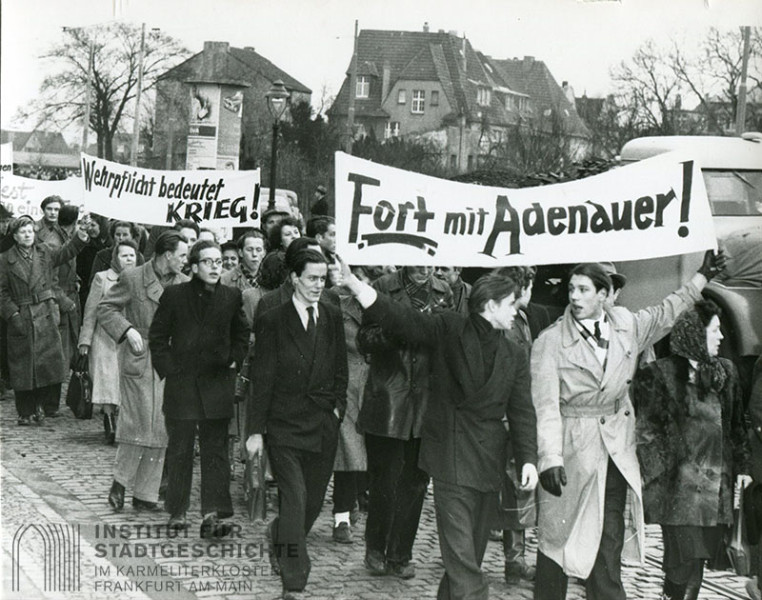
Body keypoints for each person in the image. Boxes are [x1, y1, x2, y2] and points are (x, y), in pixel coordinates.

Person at [531, 251, 725, 600]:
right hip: (573, 449)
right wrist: (550, 457)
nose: (574, 297)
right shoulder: (550, 341)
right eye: (572, 289)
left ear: (604, 295)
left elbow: (668, 311)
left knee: (609, 535)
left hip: (616, 447)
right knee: (559, 540)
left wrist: (702, 276)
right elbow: (545, 405)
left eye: (584, 290)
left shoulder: (626, 325)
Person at [341, 260, 538, 599]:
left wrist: (528, 459)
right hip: (450, 456)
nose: (515, 310)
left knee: (469, 554)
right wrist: (360, 288)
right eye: (510, 304)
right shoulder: (450, 328)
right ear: (491, 306)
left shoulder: (513, 354)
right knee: (462, 558)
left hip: (487, 461)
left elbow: (522, 411)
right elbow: (404, 320)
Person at [245, 249, 347, 600]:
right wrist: (256, 431)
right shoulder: (274, 318)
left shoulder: (332, 315)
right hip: (284, 425)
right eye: (312, 278)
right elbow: (263, 378)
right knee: (295, 500)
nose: (319, 285)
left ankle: (279, 536)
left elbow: (339, 369)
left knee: (313, 504)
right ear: (295, 279)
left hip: (322, 423)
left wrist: (338, 409)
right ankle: (294, 583)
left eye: (323, 278)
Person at [635, 300, 751, 600]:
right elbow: (647, 433)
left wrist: (743, 468)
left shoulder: (726, 374)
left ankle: (671, 595)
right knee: (684, 561)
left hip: (715, 489)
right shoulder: (657, 374)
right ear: (697, 334)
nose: (721, 337)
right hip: (677, 490)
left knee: (695, 563)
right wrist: (662, 477)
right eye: (715, 330)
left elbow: (737, 425)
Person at [357, 266, 453, 578]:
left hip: (425, 400)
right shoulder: (383, 287)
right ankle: (375, 547)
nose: (425, 267)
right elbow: (365, 339)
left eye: (430, 261)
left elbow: (450, 339)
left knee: (415, 481)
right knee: (384, 479)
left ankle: (400, 554)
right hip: (389, 398)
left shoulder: (444, 291)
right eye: (417, 261)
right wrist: (399, 328)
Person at [149, 240, 249, 536]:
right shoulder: (175, 295)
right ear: (193, 267)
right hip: (182, 386)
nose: (216, 267)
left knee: (215, 451)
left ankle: (212, 514)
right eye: (208, 262)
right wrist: (169, 369)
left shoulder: (231, 296)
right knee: (180, 450)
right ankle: (177, 512)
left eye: (219, 262)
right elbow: (158, 336)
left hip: (216, 385)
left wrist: (233, 359)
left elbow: (241, 333)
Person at [97, 231, 189, 512]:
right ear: (166, 254)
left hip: (171, 361)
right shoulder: (133, 277)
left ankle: (146, 495)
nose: (186, 261)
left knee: (162, 426)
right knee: (137, 424)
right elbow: (106, 309)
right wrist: (128, 330)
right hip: (140, 357)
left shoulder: (185, 284)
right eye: (182, 255)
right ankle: (120, 482)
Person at [492, 265, 552, 584]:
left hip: (519, 411)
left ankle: (515, 560)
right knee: (511, 486)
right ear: (522, 288)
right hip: (505, 416)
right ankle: (513, 560)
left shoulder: (525, 319)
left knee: (517, 487)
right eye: (530, 286)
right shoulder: (507, 323)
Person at [0, 214, 90, 425]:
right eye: (23, 232)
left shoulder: (44, 252)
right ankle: (25, 411)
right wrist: (13, 314)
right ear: (14, 236)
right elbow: (1, 292)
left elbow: (66, 253)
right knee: (23, 367)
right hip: (21, 316)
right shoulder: (5, 260)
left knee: (45, 366)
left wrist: (81, 236)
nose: (28, 235)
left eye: (30, 231)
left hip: (45, 314)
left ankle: (40, 407)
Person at [78, 239, 138, 443]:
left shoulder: (141, 278)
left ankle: (124, 423)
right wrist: (85, 340)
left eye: (132, 255)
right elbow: (91, 310)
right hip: (104, 338)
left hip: (130, 338)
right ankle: (109, 421)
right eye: (124, 255)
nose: (129, 259)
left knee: (125, 380)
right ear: (115, 258)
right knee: (107, 380)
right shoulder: (102, 279)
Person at [331, 266, 373, 544]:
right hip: (346, 383)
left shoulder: (380, 304)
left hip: (376, 386)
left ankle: (360, 496)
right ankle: (341, 516)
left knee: (368, 450)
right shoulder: (334, 301)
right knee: (346, 451)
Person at [259, 217, 302, 290]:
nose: (294, 236)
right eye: (288, 234)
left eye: (296, 232)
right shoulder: (275, 259)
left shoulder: (306, 253)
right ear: (280, 240)